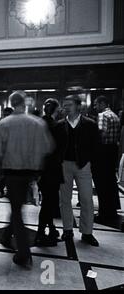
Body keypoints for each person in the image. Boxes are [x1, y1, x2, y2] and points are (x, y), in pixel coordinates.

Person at [0, 91, 54, 268]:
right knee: (17, 206)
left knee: (17, 209)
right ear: (24, 103)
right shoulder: (37, 122)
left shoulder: (5, 123)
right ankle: (5, 236)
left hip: (12, 172)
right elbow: (47, 148)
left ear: (11, 103)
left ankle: (24, 252)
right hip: (31, 172)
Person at [57, 95, 100, 246]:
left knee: (87, 199)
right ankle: (67, 230)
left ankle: (87, 232)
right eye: (64, 105)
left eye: (69, 104)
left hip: (83, 165)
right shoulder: (59, 125)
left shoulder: (90, 124)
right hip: (64, 165)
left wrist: (91, 162)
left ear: (78, 107)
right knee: (64, 199)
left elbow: (96, 146)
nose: (66, 107)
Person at [35, 99, 63, 246]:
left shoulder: (38, 124)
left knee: (47, 200)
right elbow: (60, 149)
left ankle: (51, 228)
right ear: (56, 110)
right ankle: (40, 233)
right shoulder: (57, 127)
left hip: (40, 168)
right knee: (48, 202)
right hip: (52, 169)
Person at [92, 96, 121, 225]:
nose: (94, 107)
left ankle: (103, 212)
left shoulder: (103, 115)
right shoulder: (115, 115)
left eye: (96, 104)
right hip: (113, 150)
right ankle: (112, 209)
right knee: (111, 181)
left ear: (102, 103)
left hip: (103, 151)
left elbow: (101, 133)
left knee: (101, 183)